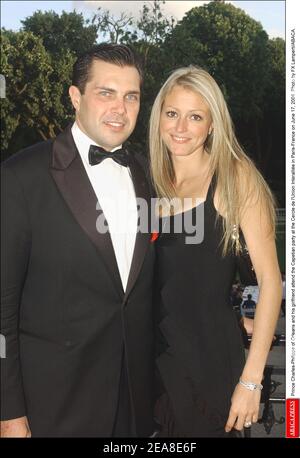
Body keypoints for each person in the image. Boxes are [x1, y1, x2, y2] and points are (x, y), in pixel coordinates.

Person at [1, 44, 155, 437]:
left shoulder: (148, 175)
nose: (120, 109)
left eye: (131, 96)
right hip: (53, 407)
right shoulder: (21, 177)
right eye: (106, 93)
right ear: (75, 97)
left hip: (134, 403)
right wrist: (8, 413)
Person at [149, 66, 282, 437]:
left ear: (212, 124)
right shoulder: (148, 183)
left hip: (207, 369)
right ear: (158, 116)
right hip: (152, 367)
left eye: (195, 117)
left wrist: (251, 382)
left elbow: (271, 283)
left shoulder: (234, 178)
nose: (180, 127)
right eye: (172, 113)